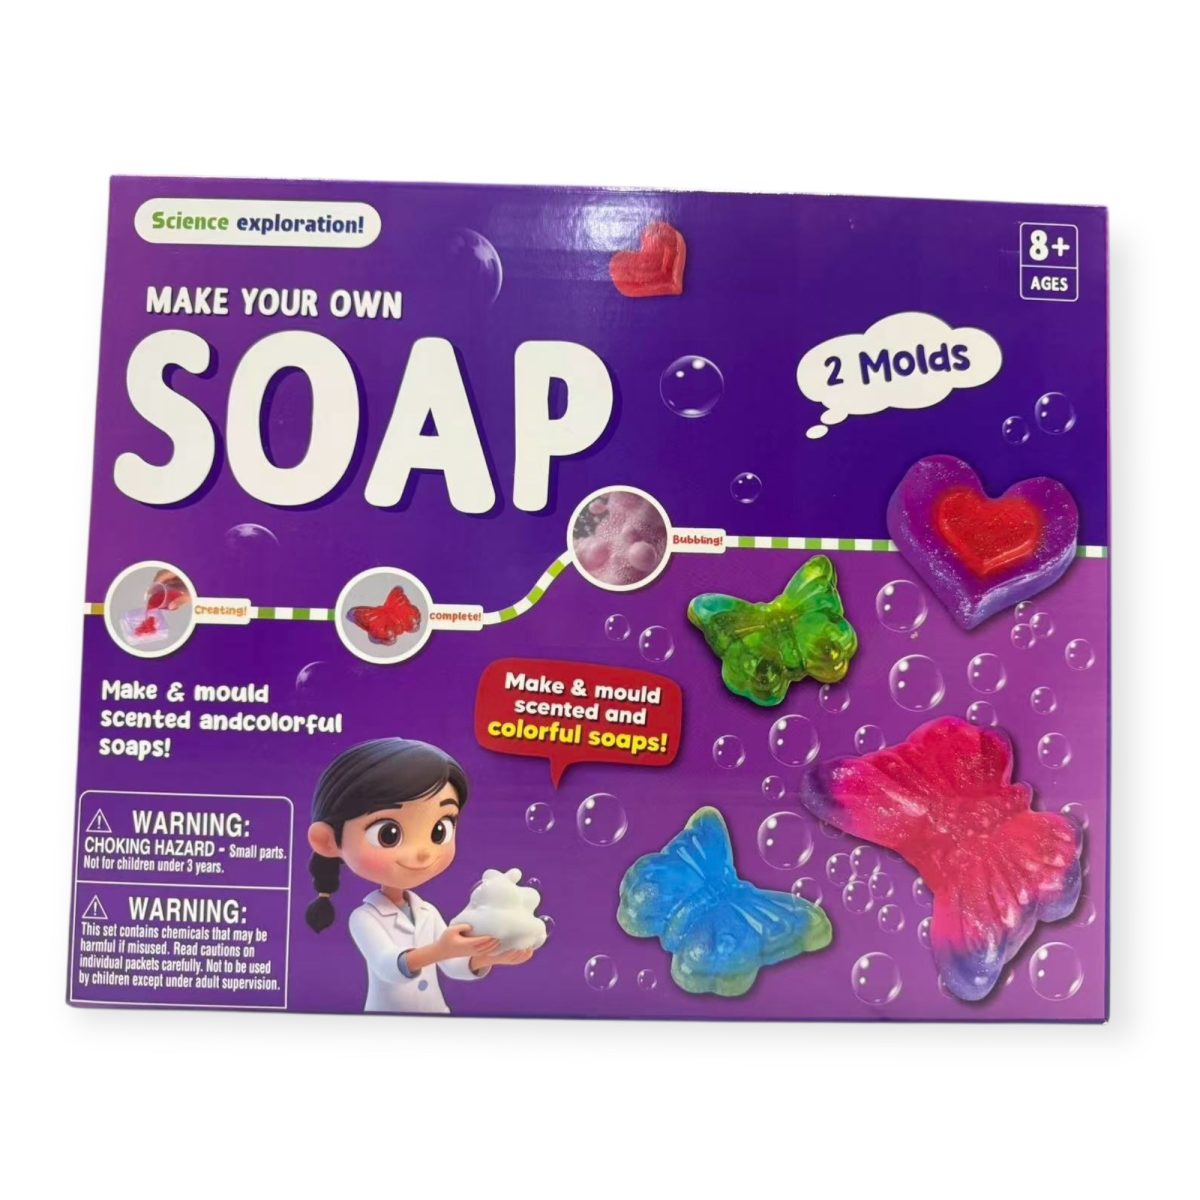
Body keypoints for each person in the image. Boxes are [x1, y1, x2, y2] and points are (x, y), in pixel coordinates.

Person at [306, 738, 534, 1013]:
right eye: (388, 834)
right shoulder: (364, 917)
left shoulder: (427, 911)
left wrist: (487, 958)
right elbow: (387, 965)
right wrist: (441, 950)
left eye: (440, 830)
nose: (424, 852)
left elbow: (452, 965)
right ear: (328, 841)